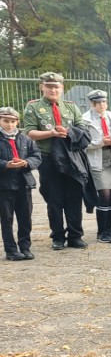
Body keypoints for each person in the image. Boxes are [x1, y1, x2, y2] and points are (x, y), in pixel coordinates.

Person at [23, 72, 91, 250]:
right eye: (49, 86)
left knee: (74, 197)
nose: (53, 89)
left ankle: (75, 235)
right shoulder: (34, 107)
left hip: (71, 158)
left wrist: (68, 132)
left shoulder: (71, 107)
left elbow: (82, 128)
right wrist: (51, 133)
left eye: (57, 86)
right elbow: (30, 133)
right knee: (54, 199)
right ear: (42, 87)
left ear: (62, 88)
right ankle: (58, 237)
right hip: (48, 159)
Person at [82, 90, 111, 243]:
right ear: (92, 104)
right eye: (98, 102)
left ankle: (109, 229)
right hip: (97, 161)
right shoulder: (85, 120)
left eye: (104, 102)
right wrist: (101, 142)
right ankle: (101, 232)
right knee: (104, 195)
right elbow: (83, 145)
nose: (102, 105)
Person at [0, 107, 41, 260]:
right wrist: (6, 164)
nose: (9, 125)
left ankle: (25, 247)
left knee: (25, 217)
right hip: (4, 185)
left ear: (17, 121)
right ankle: (11, 250)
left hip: (24, 183)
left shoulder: (25, 139)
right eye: (5, 121)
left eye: (12, 121)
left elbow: (36, 155)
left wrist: (26, 162)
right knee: (7, 218)